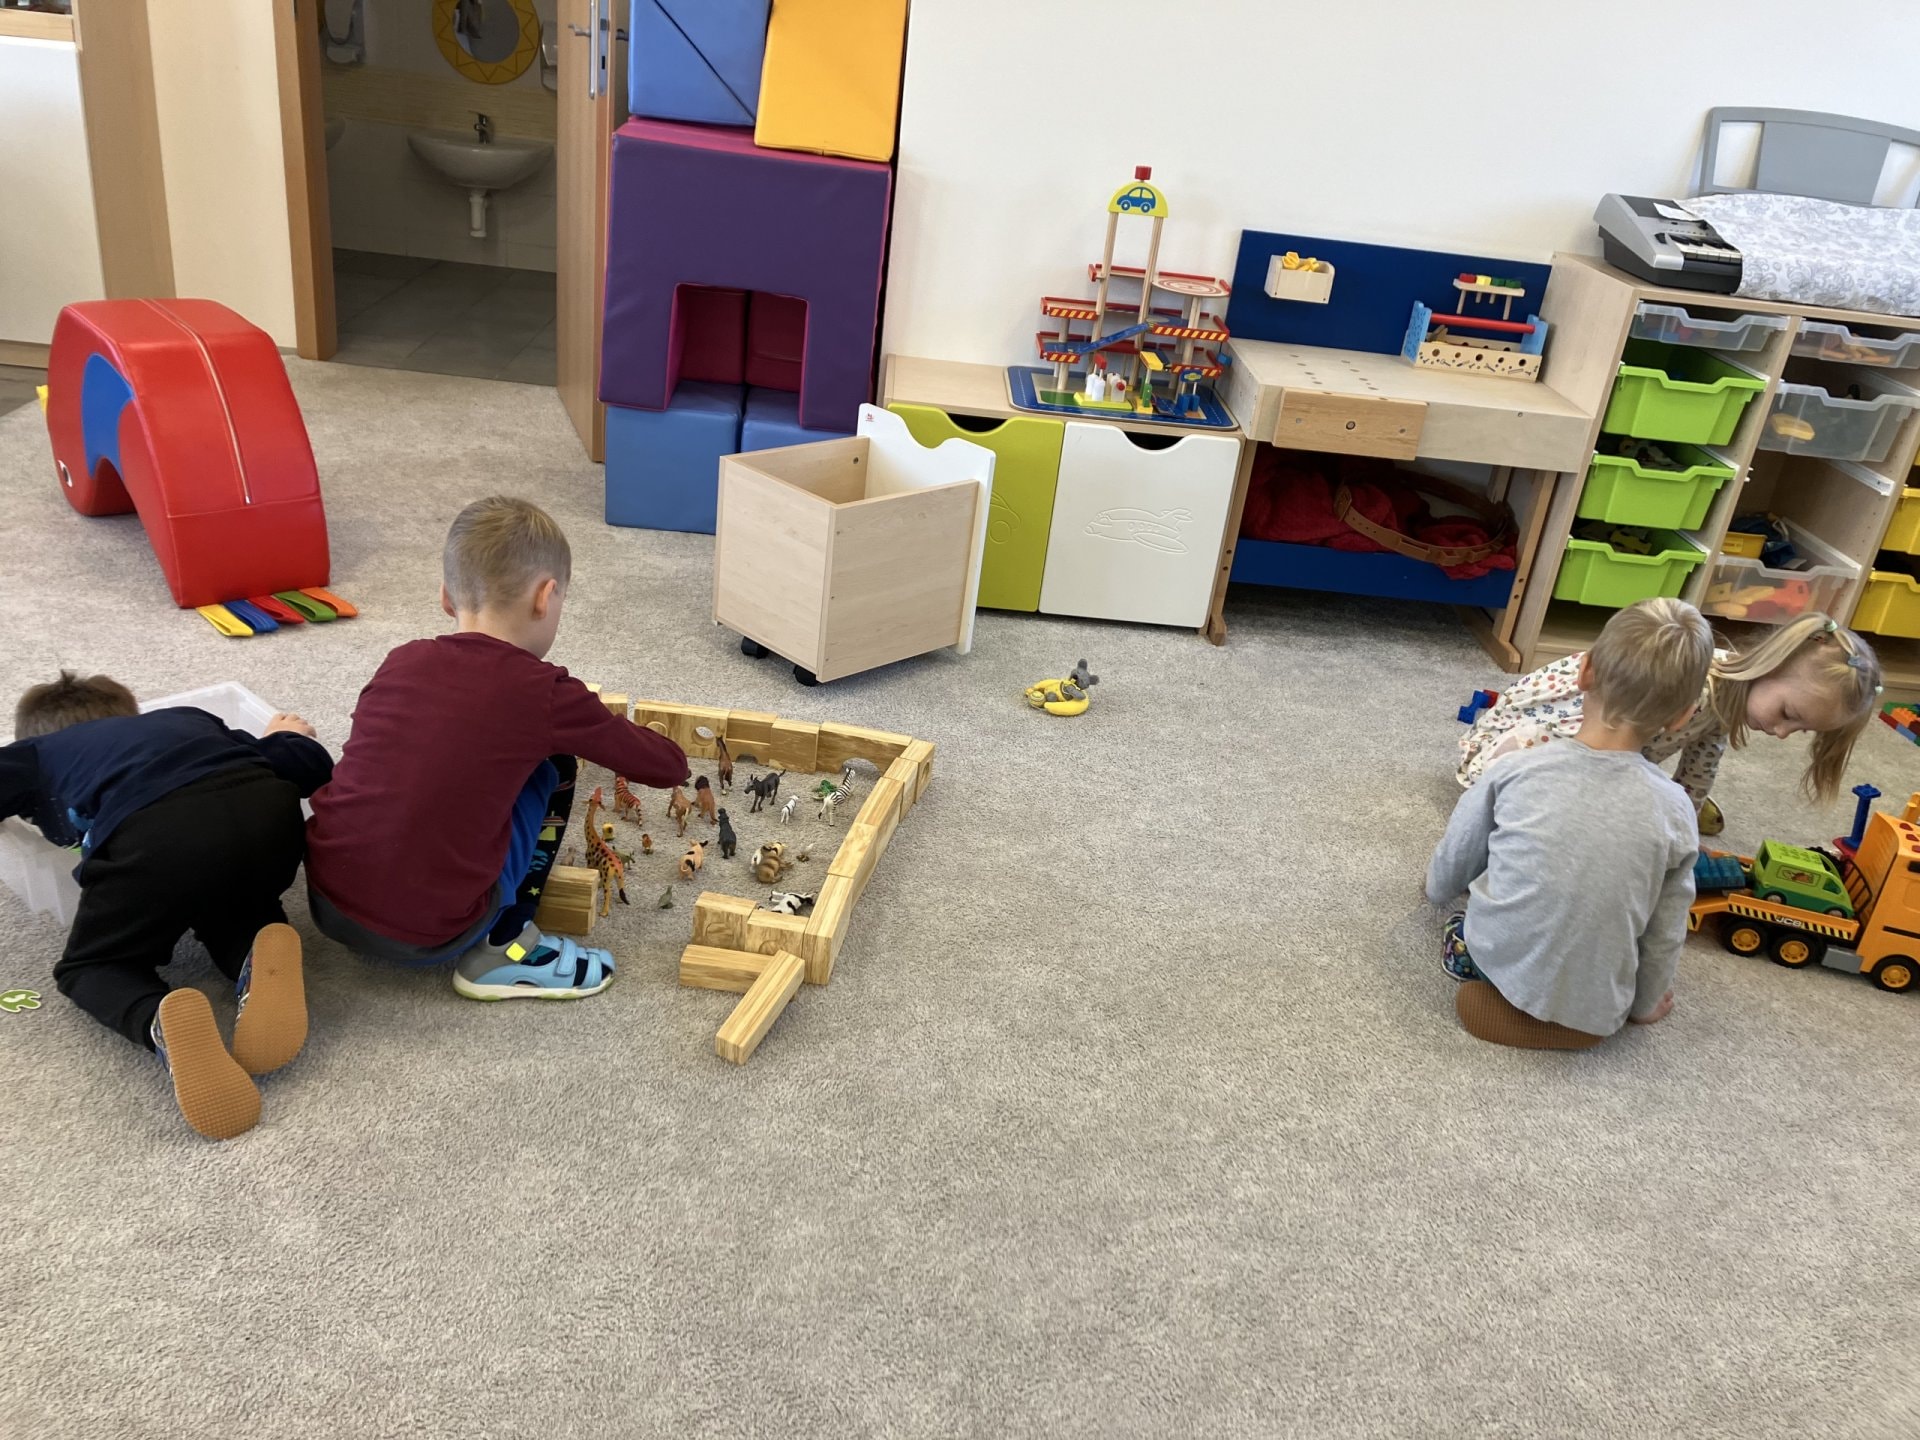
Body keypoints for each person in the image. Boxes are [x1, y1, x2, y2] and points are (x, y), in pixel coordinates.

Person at [305, 496, 689, 1000]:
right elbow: (667, 768)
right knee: (554, 766)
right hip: (432, 931)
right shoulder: (545, 692)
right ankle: (506, 946)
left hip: (325, 901)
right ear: (545, 597)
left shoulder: (401, 658)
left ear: (447, 596)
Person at [0, 672, 332, 1139]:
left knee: (93, 967)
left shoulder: (38, 754)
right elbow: (309, 768)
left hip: (154, 836)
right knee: (231, 906)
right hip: (268, 815)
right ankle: (255, 950)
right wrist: (287, 738)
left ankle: (156, 1017)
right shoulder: (187, 720)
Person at [1427, 598, 1714, 1049]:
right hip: (1597, 997)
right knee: (1607, 960)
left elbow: (1459, 852)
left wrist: (1436, 890)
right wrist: (1644, 1005)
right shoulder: (1677, 809)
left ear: (1584, 672)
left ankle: (1498, 988)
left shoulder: (1515, 767)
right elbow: (1666, 927)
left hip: (1496, 959)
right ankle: (1579, 1021)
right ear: (1683, 715)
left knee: (1473, 923)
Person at [1458, 611, 1882, 834]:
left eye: (1801, 730)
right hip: (1536, 743)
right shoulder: (1693, 689)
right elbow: (1583, 739)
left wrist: (1681, 824)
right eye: (1789, 715)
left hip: (1598, 752)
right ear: (1770, 665)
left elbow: (1702, 764)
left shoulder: (1725, 700)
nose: (1783, 733)